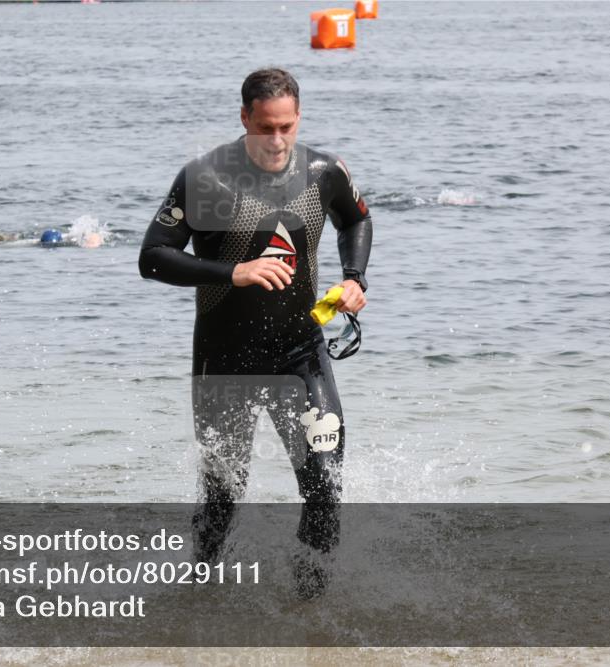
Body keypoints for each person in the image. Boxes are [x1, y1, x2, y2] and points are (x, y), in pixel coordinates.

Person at [138, 68, 372, 598]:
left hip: (300, 354)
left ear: (299, 118)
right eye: (265, 127)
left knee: (325, 488)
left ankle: (311, 616)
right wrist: (232, 272)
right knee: (223, 500)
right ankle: (194, 603)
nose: (276, 140)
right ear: (244, 118)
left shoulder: (323, 171)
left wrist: (355, 279)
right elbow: (152, 257)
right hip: (224, 359)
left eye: (286, 127)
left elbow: (355, 220)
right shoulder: (204, 178)